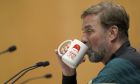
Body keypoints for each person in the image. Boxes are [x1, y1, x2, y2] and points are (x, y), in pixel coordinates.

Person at [55, 1, 140, 84]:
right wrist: (68, 73)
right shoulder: (129, 60)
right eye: (84, 32)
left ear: (112, 33)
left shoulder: (116, 70)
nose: (83, 39)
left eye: (89, 30)